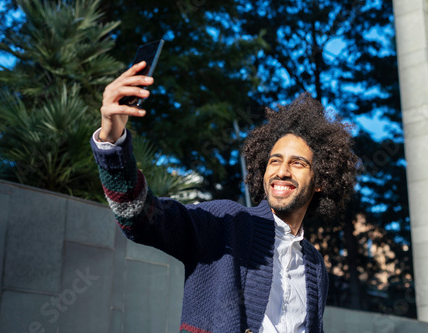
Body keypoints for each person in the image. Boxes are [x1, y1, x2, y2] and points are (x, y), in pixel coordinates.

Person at [90, 61, 359, 333]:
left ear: (320, 182)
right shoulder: (226, 222)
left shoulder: (314, 267)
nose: (282, 171)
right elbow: (141, 219)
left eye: (298, 163)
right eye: (274, 161)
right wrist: (112, 141)